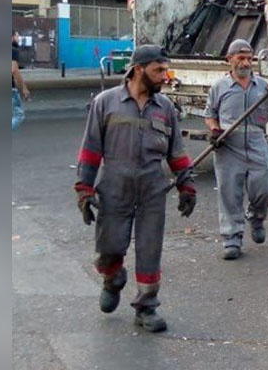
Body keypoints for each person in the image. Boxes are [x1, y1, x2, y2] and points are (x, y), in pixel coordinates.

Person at [73, 45, 196, 333]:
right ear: (138, 69)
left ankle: (146, 307)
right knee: (109, 248)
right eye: (158, 70)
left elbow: (176, 150)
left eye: (165, 70)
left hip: (152, 187)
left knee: (149, 249)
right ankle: (113, 278)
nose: (164, 76)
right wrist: (84, 188)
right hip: (114, 186)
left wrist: (187, 185)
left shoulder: (165, 108)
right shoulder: (106, 103)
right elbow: (90, 149)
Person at [204, 40, 268, 261]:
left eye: (248, 58)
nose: (245, 62)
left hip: (257, 142)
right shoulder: (219, 87)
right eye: (240, 57)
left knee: (265, 188)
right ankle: (232, 238)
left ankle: (257, 217)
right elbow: (210, 114)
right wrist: (214, 130)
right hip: (228, 145)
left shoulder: (263, 87)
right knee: (230, 193)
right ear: (229, 60)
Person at [12, 31, 31, 130]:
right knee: (19, 116)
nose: (18, 38)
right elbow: (14, 71)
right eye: (17, 36)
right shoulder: (13, 51)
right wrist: (23, 89)